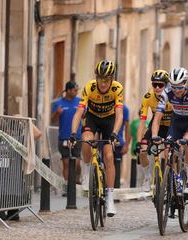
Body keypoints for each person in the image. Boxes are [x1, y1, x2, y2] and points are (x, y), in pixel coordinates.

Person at [69, 60, 123, 217]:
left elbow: (119, 114)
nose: (103, 83)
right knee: (86, 141)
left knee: (109, 156)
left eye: (107, 80)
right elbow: (79, 112)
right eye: (100, 79)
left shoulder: (117, 88)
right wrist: (73, 133)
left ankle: (110, 198)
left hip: (109, 120)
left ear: (112, 79)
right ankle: (87, 171)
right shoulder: (89, 87)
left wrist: (115, 133)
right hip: (92, 118)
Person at [152, 67, 188, 196]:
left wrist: (186, 138)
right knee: (169, 148)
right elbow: (157, 118)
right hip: (176, 120)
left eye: (179, 87)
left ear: (185, 84)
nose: (176, 90)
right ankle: (176, 179)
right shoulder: (167, 92)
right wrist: (154, 135)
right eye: (173, 87)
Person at [136, 70, 172, 191]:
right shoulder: (148, 97)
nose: (157, 87)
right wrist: (138, 141)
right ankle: (147, 177)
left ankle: (171, 178)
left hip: (171, 126)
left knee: (168, 153)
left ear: (166, 85)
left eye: (160, 85)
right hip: (156, 125)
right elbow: (142, 121)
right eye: (154, 84)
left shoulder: (172, 96)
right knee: (142, 150)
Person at [51, 81, 82, 195]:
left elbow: (85, 115)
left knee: (77, 163)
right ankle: (68, 187)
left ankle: (77, 179)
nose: (76, 92)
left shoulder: (80, 102)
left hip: (77, 137)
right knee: (66, 162)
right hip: (63, 137)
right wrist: (57, 113)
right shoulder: (59, 103)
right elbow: (52, 120)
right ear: (68, 90)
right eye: (74, 90)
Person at [114, 104, 131, 188]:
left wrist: (126, 145)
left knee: (117, 166)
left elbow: (128, 128)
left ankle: (115, 189)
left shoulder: (124, 109)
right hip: (104, 142)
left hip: (119, 143)